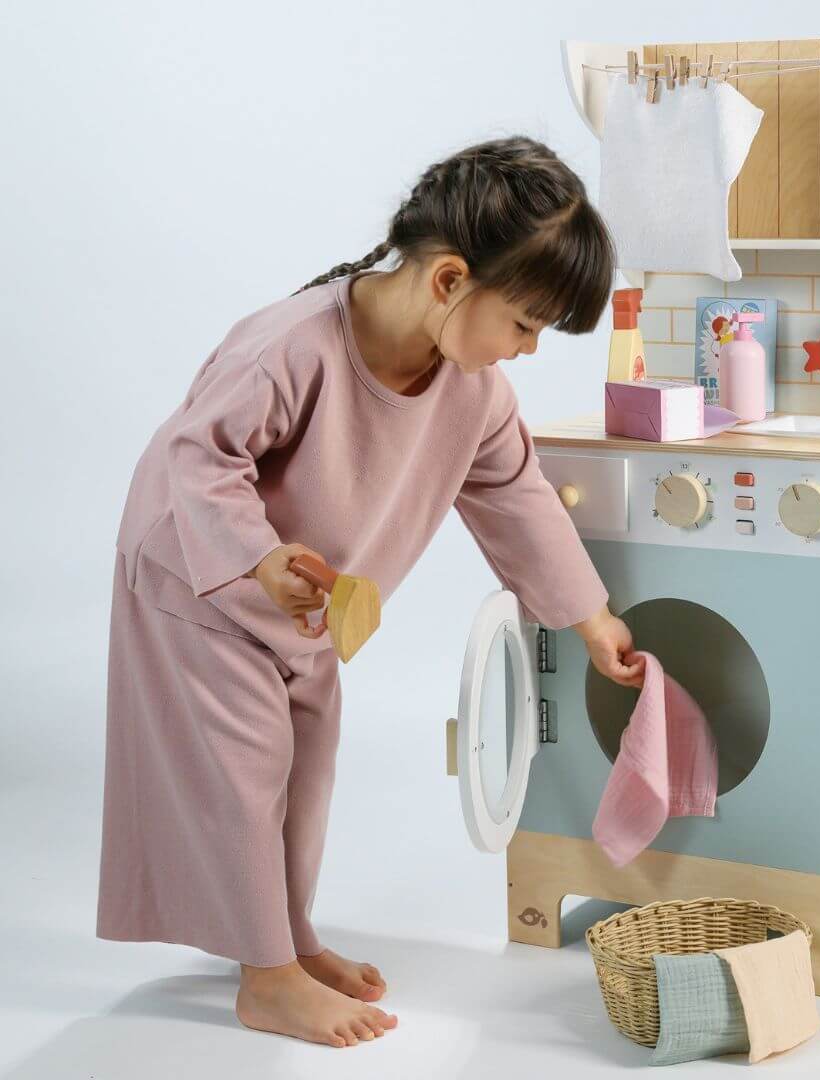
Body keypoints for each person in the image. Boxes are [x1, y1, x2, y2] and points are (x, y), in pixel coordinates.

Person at [97, 134, 646, 1050]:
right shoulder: (293, 346)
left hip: (309, 609)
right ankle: (265, 978)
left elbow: (517, 496)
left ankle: (287, 937)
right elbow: (200, 454)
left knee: (304, 776)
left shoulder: (475, 392)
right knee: (241, 774)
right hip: (201, 577)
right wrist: (257, 558)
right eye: (522, 323)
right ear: (447, 281)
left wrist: (589, 618)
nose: (528, 348)